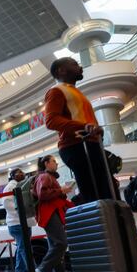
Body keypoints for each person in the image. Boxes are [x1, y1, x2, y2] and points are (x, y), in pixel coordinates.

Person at [44, 58, 110, 203]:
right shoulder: (57, 91)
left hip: (90, 144)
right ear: (61, 70)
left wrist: (97, 131)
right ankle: (102, 223)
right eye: (74, 64)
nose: (79, 66)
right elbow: (50, 120)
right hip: (77, 145)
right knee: (95, 194)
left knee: (105, 190)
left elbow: (86, 120)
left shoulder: (74, 92)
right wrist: (84, 126)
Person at [33, 155, 74, 272]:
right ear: (46, 163)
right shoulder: (44, 177)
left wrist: (61, 191)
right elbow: (43, 194)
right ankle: (41, 271)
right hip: (49, 213)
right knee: (61, 243)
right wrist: (61, 190)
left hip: (51, 213)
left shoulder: (47, 177)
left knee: (55, 245)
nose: (56, 164)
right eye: (54, 162)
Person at [3, 168, 36, 272]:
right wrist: (21, 212)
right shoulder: (10, 187)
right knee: (24, 249)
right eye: (18, 172)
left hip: (24, 222)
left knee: (22, 249)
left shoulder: (22, 185)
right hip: (17, 223)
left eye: (22, 172)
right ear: (12, 176)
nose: (22, 173)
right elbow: (7, 203)